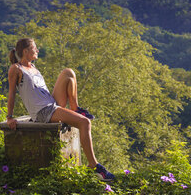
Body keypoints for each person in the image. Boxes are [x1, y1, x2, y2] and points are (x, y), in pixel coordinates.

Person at [7, 38, 115, 181]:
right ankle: (94, 166)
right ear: (26, 51)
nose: (37, 50)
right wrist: (9, 116)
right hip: (43, 112)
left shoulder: (34, 68)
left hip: (51, 104)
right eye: (35, 48)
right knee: (85, 123)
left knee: (68, 73)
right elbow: (11, 93)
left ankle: (75, 108)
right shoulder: (16, 69)